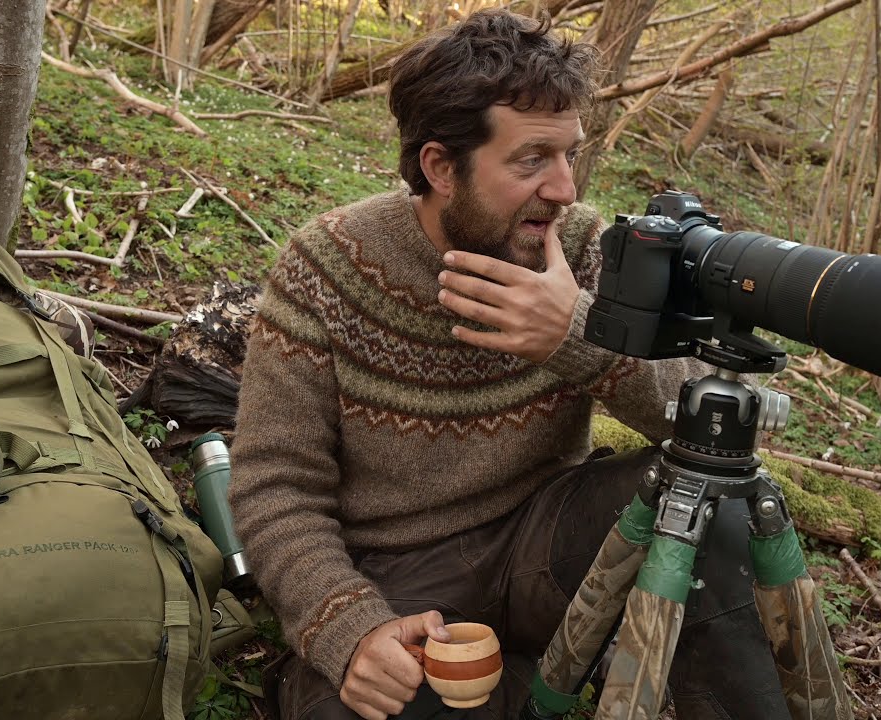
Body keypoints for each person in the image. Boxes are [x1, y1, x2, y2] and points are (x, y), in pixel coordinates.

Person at [230, 9, 790, 720]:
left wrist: (575, 334)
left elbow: (709, 428)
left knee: (715, 511)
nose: (564, 188)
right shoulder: (327, 268)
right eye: (532, 160)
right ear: (440, 167)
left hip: (547, 545)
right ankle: (521, 684)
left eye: (569, 154)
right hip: (399, 576)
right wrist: (347, 627)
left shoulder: (587, 249)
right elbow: (273, 483)